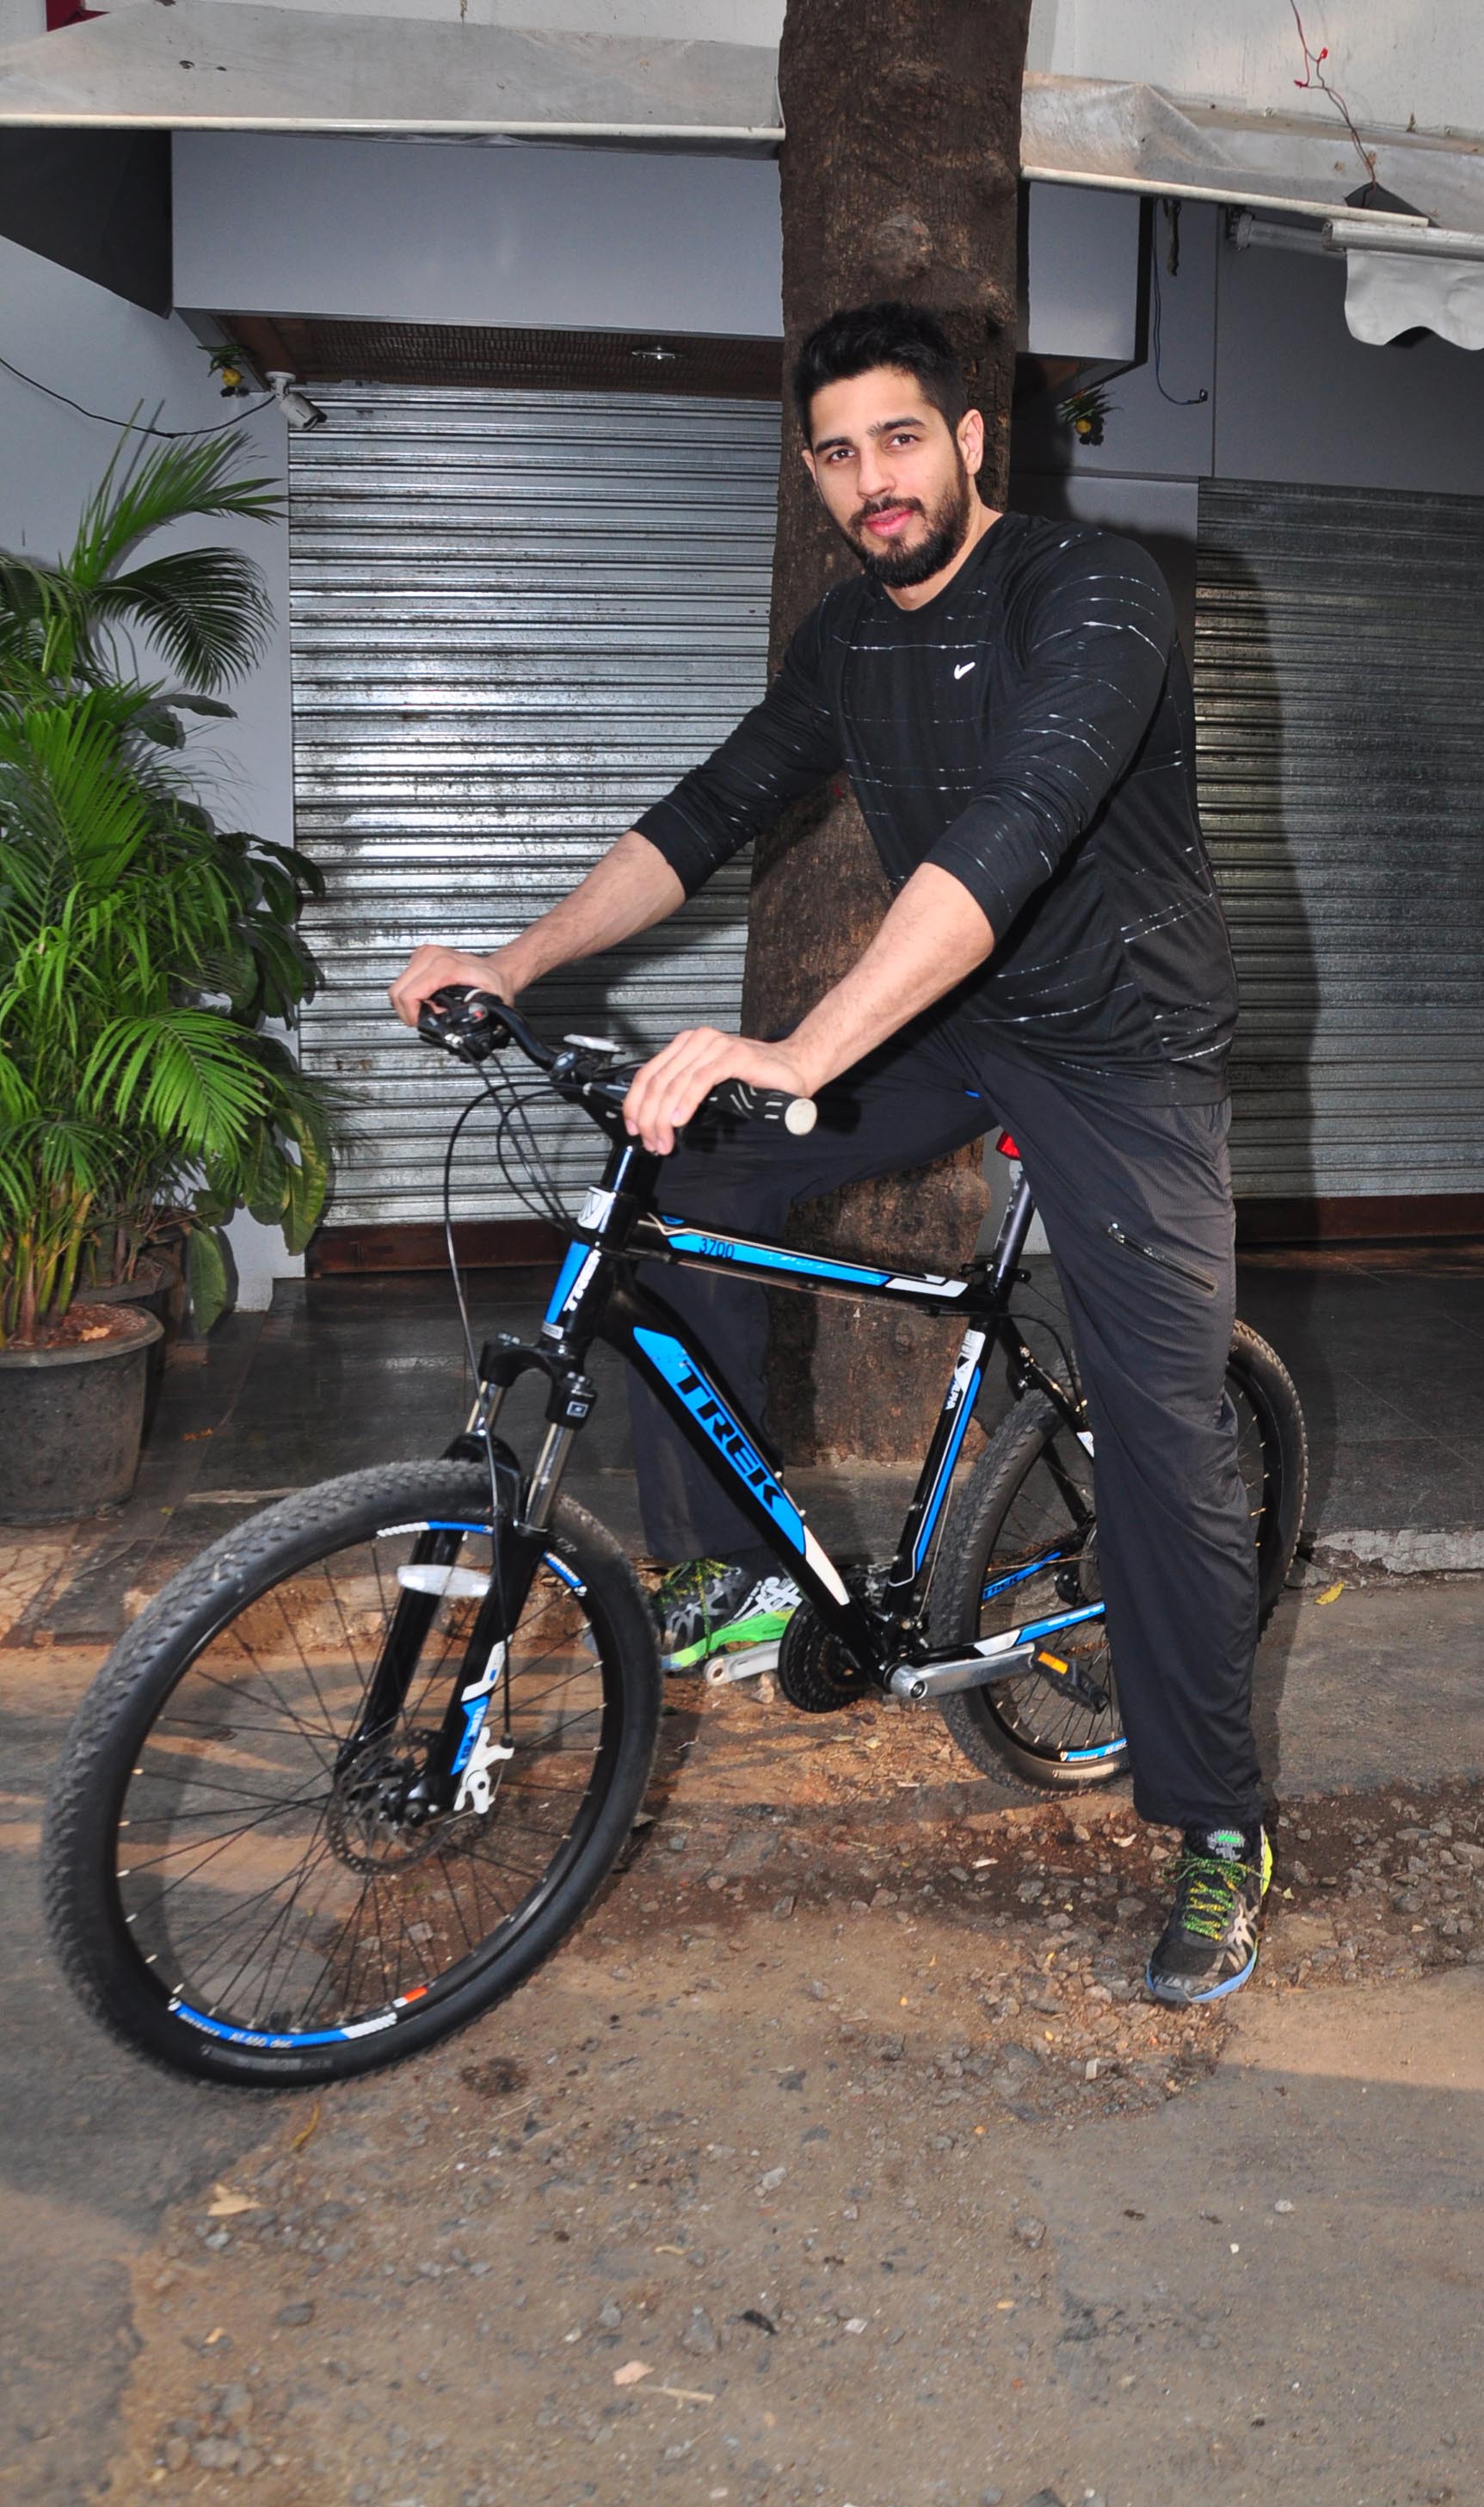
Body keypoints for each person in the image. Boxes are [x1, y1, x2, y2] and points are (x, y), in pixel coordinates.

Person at [391, 300, 1272, 2007]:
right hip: (953, 1010)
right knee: (702, 1188)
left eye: (897, 438)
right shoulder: (848, 639)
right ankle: (726, 1568)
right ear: (812, 471)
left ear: (967, 442)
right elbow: (702, 816)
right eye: (836, 451)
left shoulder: (1090, 597)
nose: (872, 479)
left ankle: (1217, 1828)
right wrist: (511, 960)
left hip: (1123, 1048)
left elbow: (1014, 828)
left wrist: (800, 1042)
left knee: (1160, 1441)